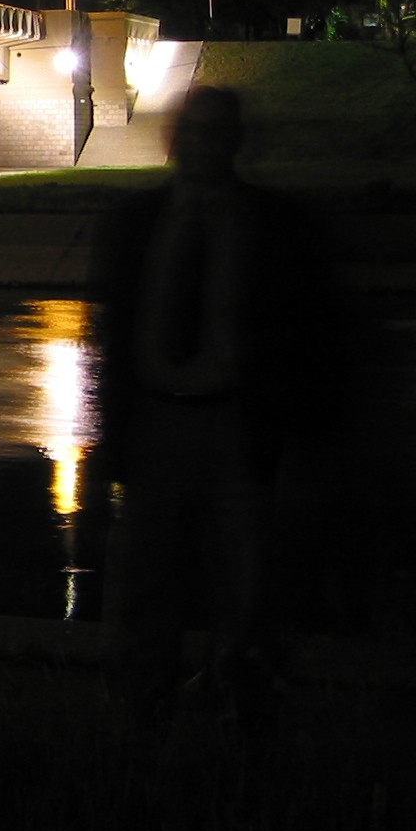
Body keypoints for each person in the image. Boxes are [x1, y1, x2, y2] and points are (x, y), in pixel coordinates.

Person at [92, 84, 328, 736]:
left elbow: (302, 337)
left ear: (235, 140)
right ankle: (143, 714)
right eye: (190, 131)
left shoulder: (275, 225)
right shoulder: (136, 222)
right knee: (144, 585)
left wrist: (296, 438)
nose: (199, 144)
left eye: (213, 132)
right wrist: (112, 437)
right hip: (154, 422)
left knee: (245, 586)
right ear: (173, 138)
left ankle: (243, 712)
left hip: (234, 425)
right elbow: (113, 336)